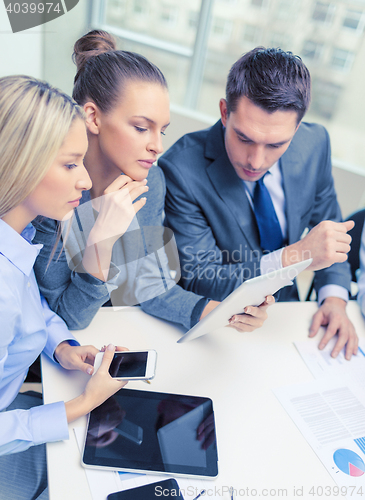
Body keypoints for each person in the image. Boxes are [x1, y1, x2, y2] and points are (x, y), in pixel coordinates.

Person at [33, 30, 273, 335]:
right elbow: (68, 317)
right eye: (141, 127)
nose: (157, 146)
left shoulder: (150, 182)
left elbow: (149, 285)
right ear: (93, 117)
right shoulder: (49, 191)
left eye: (162, 131)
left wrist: (219, 311)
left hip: (118, 337)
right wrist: (102, 243)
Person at [158, 47, 358, 359]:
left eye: (276, 144)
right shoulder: (181, 169)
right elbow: (200, 277)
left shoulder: (314, 144)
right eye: (244, 138)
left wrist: (334, 299)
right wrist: (296, 255)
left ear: (297, 128)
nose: (256, 160)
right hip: (223, 330)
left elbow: (332, 233)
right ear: (225, 112)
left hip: (290, 323)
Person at [0, 75, 130, 500]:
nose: (86, 181)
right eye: (71, 164)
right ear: (23, 162)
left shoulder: (15, 239)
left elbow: (33, 305)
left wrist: (62, 348)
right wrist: (82, 404)